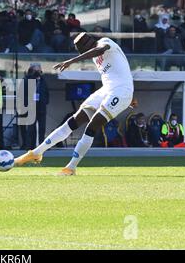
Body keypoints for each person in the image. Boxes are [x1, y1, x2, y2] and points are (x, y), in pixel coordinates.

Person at [15, 32, 134, 176]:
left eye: (79, 48)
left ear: (86, 45)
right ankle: (36, 152)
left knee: (92, 126)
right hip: (107, 90)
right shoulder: (95, 57)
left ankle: (71, 167)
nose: (79, 51)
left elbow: (100, 49)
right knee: (72, 121)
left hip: (121, 91)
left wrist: (71, 61)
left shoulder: (105, 42)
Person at [20, 64, 49, 150]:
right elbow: (22, 94)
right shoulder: (26, 80)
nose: (37, 72)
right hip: (31, 107)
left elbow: (46, 92)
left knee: (42, 127)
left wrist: (45, 101)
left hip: (41, 107)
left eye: (39, 70)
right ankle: (29, 146)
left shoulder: (43, 80)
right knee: (30, 128)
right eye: (35, 70)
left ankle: (42, 145)